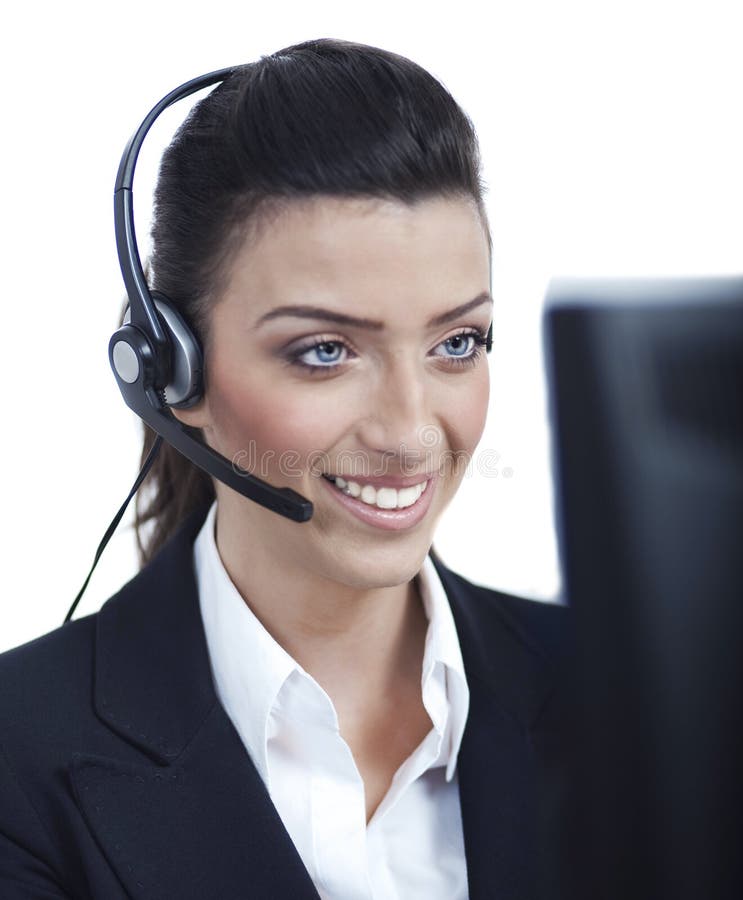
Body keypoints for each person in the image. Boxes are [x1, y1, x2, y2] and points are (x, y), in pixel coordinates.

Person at [0, 38, 571, 899]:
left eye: (458, 342)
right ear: (170, 370)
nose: (410, 429)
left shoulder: (639, 699)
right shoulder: (19, 757)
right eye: (325, 351)